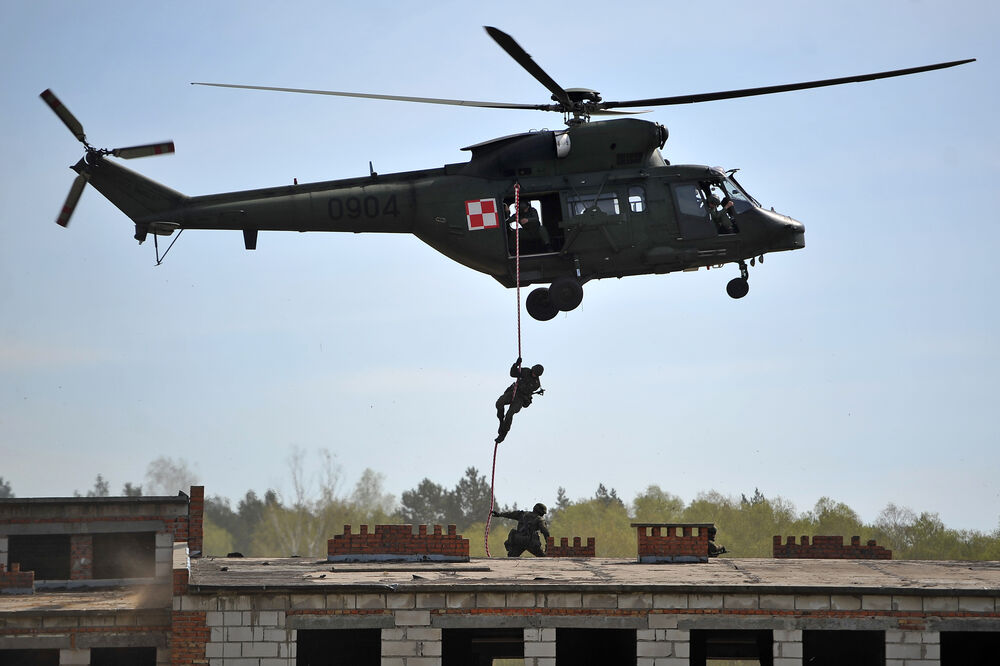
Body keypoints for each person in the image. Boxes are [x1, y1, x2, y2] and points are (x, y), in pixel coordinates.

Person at [494, 357, 544, 443]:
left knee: (510, 414)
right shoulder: (526, 371)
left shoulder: (536, 384)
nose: (533, 374)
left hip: (520, 398)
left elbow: (526, 390)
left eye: (535, 374)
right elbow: (513, 374)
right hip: (513, 391)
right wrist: (516, 365)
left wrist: (522, 384)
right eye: (533, 372)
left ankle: (503, 433)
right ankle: (501, 421)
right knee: (499, 403)